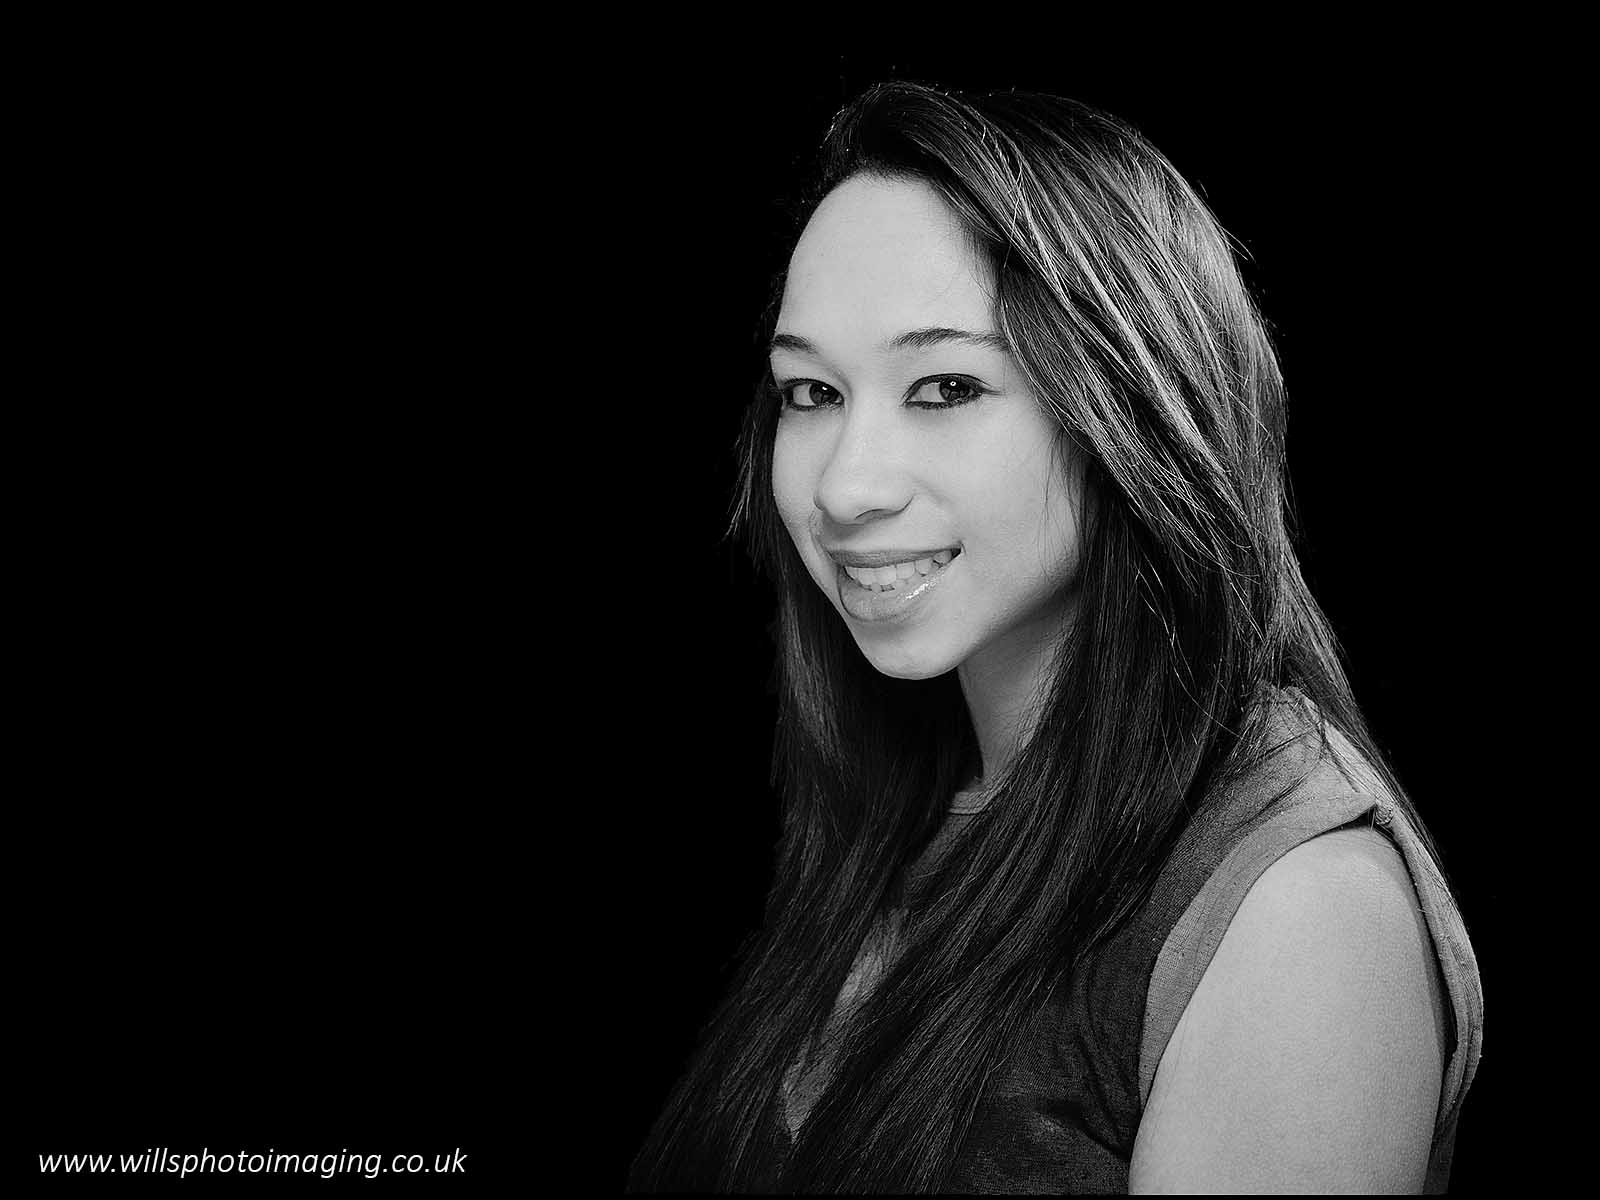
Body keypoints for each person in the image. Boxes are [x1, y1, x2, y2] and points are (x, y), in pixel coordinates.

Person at [629, 80, 1483, 1194]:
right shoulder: (916, 790)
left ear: (1130, 403)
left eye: (943, 386)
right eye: (809, 392)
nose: (845, 485)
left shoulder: (1297, 909)